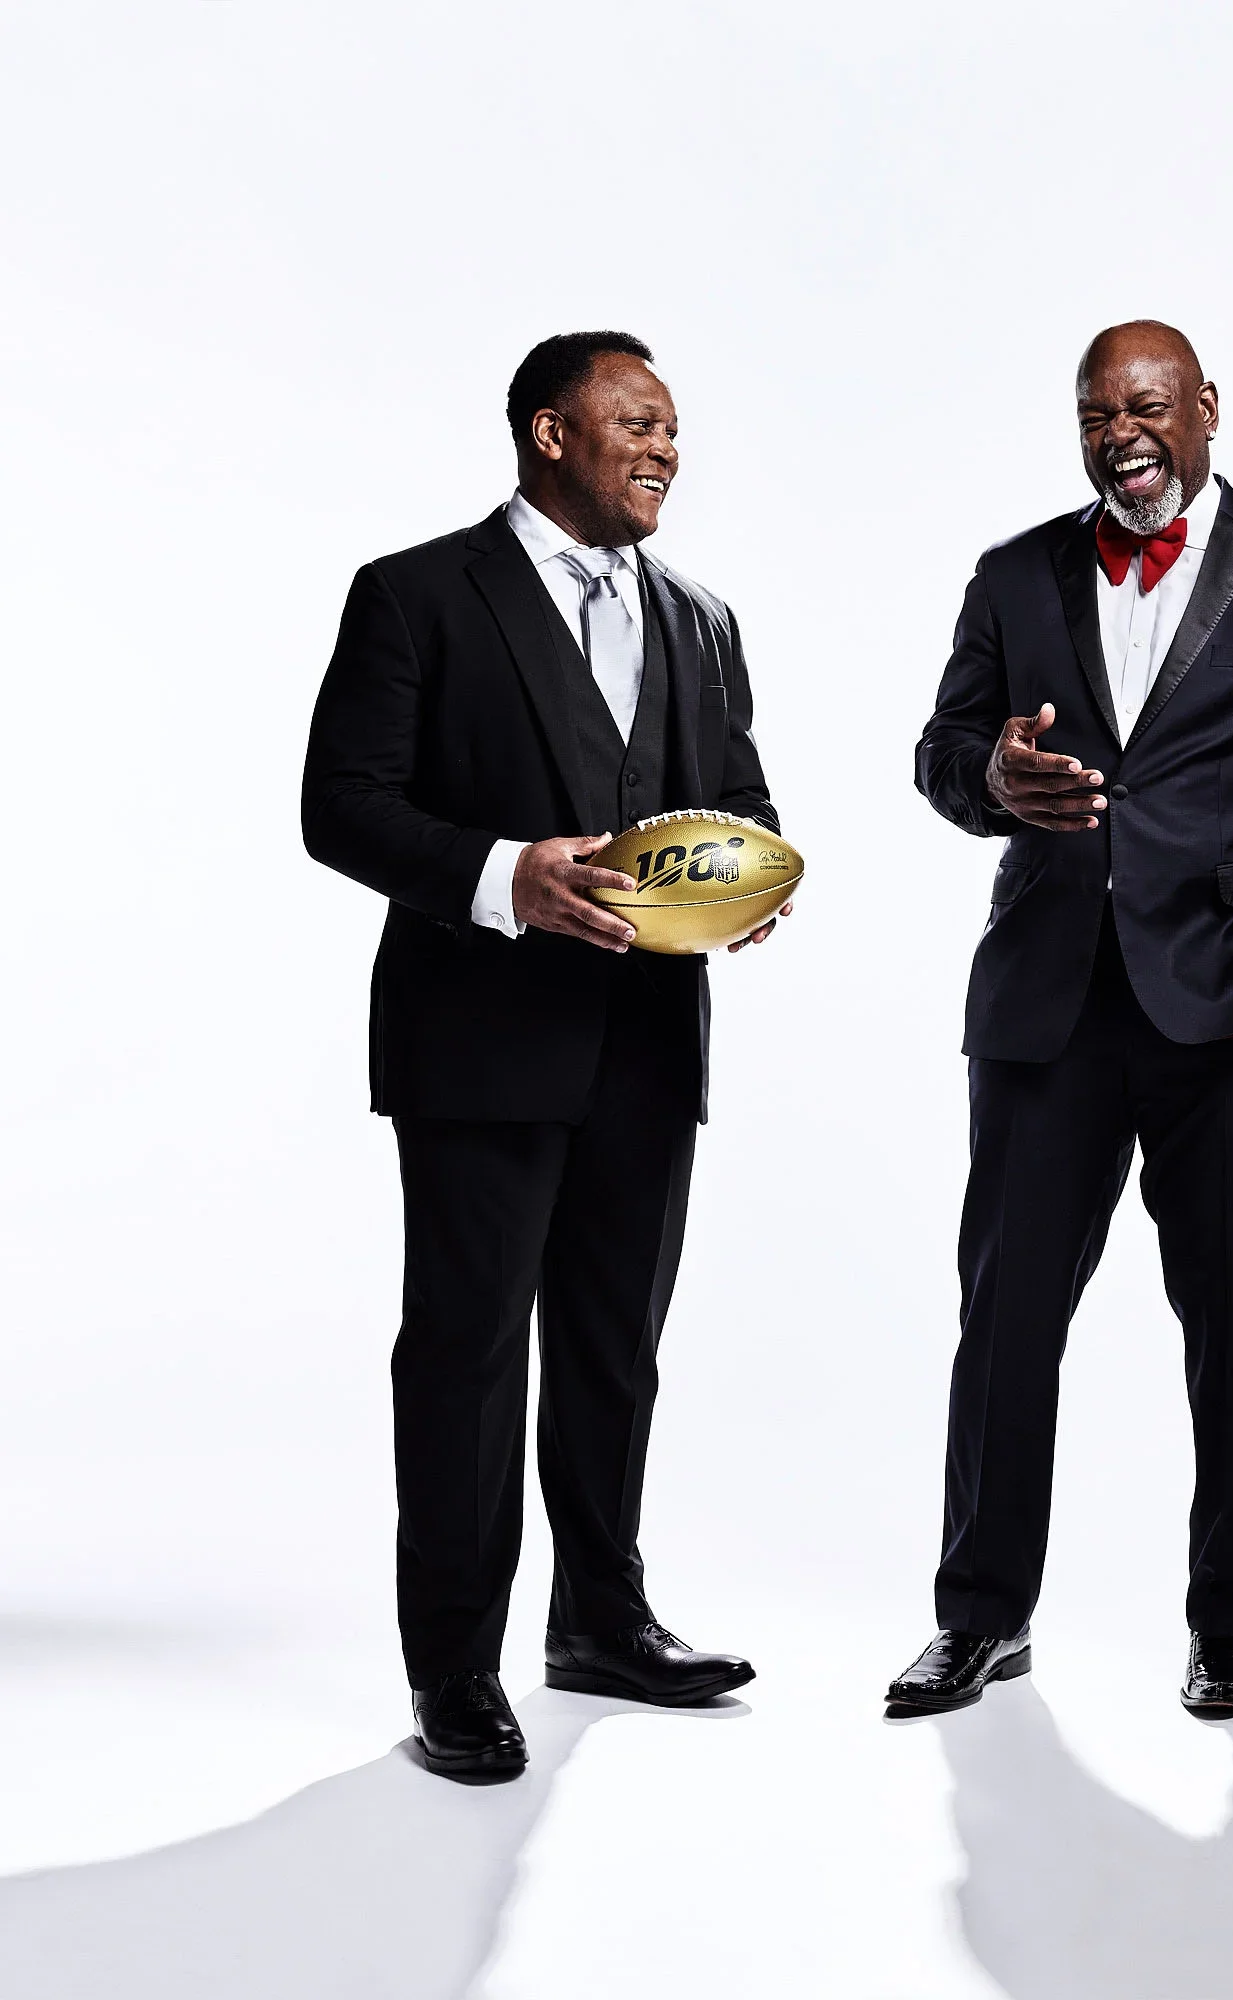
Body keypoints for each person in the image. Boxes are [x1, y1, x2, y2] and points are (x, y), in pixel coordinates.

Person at [889, 320, 1233, 1718]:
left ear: (1204, 410)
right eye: (1097, 414)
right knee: (1002, 1321)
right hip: (1047, 1009)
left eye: (1149, 406)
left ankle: (1226, 1629)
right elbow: (939, 752)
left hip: (1232, 1014)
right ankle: (981, 1618)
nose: (1125, 433)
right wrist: (991, 777)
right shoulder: (1014, 576)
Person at [303, 331, 786, 1780]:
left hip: (648, 1044)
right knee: (462, 1357)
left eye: (674, 429)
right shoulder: (416, 597)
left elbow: (737, 796)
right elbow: (340, 807)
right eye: (634, 422)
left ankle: (599, 1620)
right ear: (545, 432)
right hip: (476, 1044)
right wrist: (502, 874)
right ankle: (454, 1666)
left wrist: (746, 882)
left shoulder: (700, 618)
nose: (663, 449)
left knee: (609, 1350)